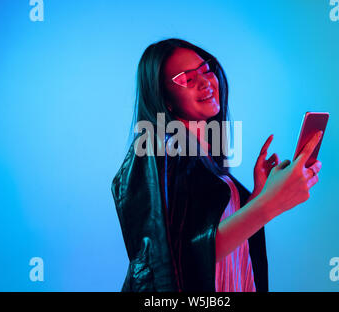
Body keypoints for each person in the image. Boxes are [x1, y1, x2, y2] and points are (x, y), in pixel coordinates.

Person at [111, 38, 323, 292]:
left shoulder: (205, 158)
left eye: (206, 70)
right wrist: (272, 202)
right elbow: (180, 261)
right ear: (164, 99)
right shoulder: (152, 149)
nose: (205, 82)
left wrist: (259, 195)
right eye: (187, 79)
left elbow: (221, 239)